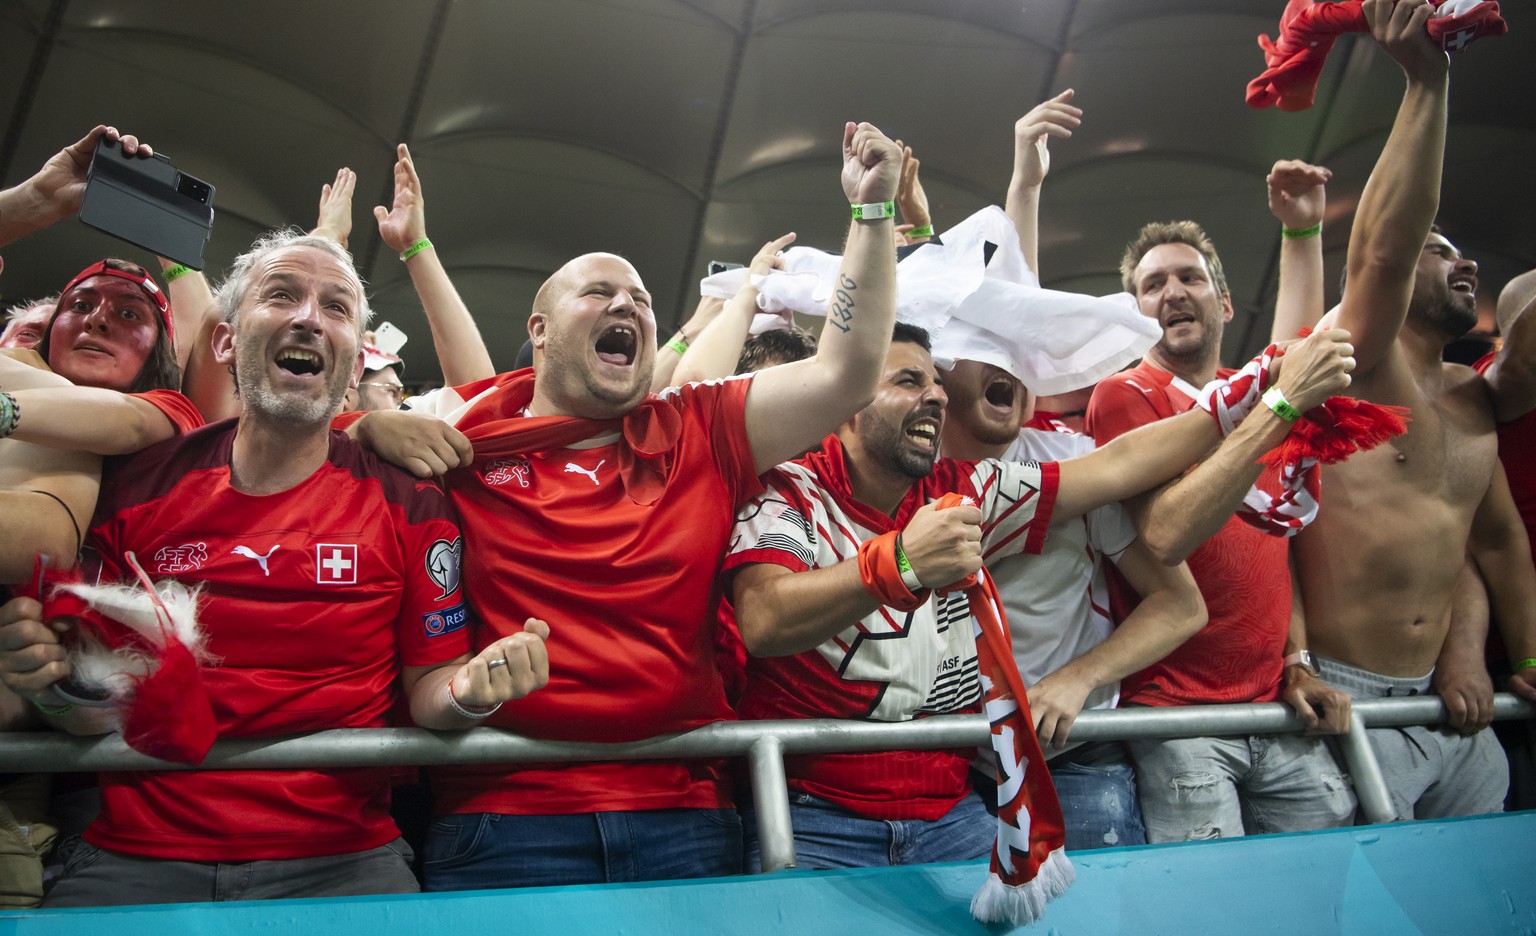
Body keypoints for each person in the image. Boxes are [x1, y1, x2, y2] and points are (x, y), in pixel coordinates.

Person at [350, 120, 904, 889]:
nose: (631, 306)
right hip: (506, 818)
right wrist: (366, 422)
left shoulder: (701, 428)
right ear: (538, 331)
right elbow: (286, 427)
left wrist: (871, 217)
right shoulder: (466, 428)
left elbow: (847, 372)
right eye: (601, 292)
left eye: (641, 298)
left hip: (683, 815)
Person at [0, 230, 549, 906]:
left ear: (354, 367)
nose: (308, 318)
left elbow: (433, 688)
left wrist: (476, 689)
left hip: (344, 861)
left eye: (337, 307)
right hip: (137, 856)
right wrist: (49, 688)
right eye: (281, 295)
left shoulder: (411, 501)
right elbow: (92, 717)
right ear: (225, 342)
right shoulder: (135, 488)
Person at [727, 319, 1353, 869]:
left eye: (936, 386)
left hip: (951, 815)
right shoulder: (789, 491)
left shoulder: (966, 491)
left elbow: (1116, 466)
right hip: (814, 816)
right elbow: (763, 617)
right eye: (909, 383)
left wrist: (1258, 398)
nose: (935, 398)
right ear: (846, 404)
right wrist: (901, 561)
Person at [1290, 0, 1536, 821]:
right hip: (1344, 697)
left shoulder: (1472, 397)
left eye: (1463, 253)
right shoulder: (1360, 366)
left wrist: (1514, 652)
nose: (1461, 261)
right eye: (1443, 251)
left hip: (1450, 705)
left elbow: (1489, 540)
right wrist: (1428, 81)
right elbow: (1385, 249)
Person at [1086, 196, 1356, 839]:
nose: (1173, 292)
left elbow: (1280, 546)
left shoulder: (1257, 391)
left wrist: (1297, 658)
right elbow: (1167, 533)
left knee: (1329, 890)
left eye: (1190, 278)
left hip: (1277, 707)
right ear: (1136, 315)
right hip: (1177, 716)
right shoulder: (1125, 394)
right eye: (1153, 285)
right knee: (1213, 909)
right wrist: (1279, 407)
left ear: (1226, 304)